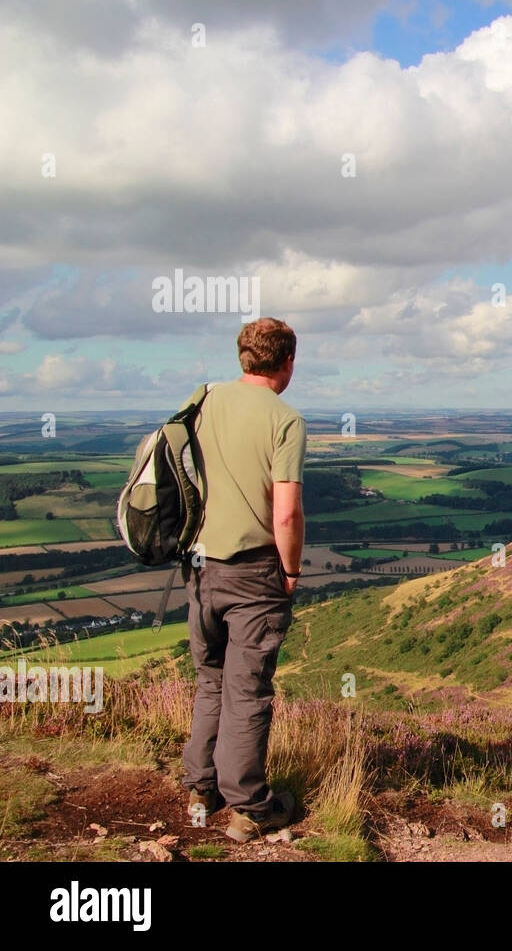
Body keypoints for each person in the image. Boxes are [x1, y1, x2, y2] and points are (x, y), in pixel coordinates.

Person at [179, 317, 306, 842]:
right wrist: (292, 569)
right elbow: (286, 514)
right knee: (248, 690)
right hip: (254, 573)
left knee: (210, 679)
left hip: (200, 566)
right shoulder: (285, 419)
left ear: (243, 358)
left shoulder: (203, 400)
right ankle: (250, 809)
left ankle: (199, 788)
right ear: (288, 362)